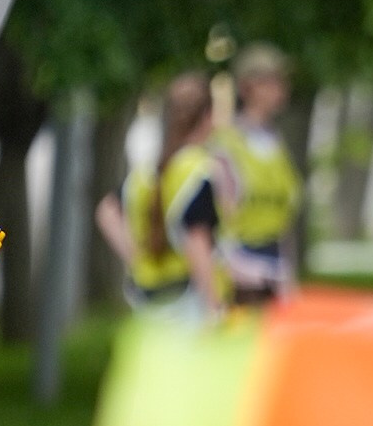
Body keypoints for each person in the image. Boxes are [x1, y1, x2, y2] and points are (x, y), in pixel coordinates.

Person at [99, 72, 228, 315]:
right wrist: (213, 306)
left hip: (146, 297)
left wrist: (137, 257)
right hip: (186, 298)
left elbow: (107, 211)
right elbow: (196, 240)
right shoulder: (198, 170)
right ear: (207, 115)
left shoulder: (146, 171)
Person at [215, 43, 304, 304]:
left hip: (274, 268)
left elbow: (283, 220)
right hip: (240, 277)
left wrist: (290, 276)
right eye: (272, 80)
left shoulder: (276, 143)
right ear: (248, 87)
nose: (282, 88)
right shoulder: (226, 144)